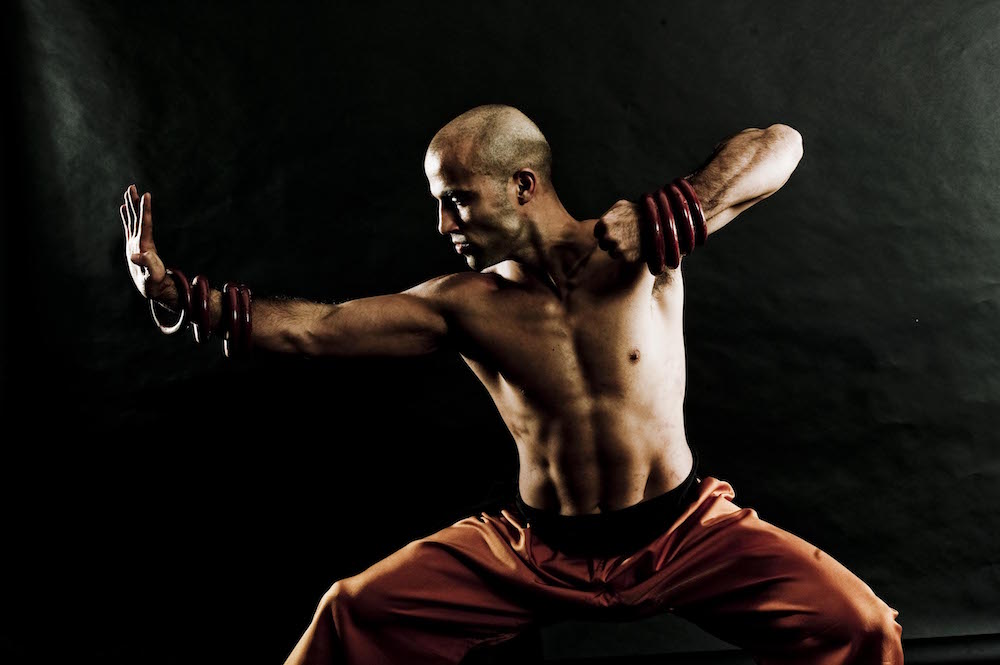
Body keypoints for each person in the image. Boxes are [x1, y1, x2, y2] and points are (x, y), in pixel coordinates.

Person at [120, 105, 904, 664]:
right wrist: (180, 295)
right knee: (350, 612)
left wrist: (684, 205)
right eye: (439, 204)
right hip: (533, 551)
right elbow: (315, 328)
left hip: (684, 535)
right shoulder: (461, 305)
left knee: (862, 625)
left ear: (523, 185)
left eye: (456, 199)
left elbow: (781, 145)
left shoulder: (640, 253)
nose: (443, 225)